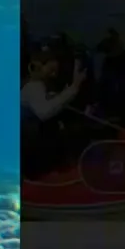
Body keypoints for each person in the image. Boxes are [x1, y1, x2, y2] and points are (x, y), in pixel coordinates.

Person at [21, 50, 85, 178]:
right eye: (51, 70)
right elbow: (44, 112)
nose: (54, 75)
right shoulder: (33, 86)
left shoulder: (35, 86)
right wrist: (72, 89)